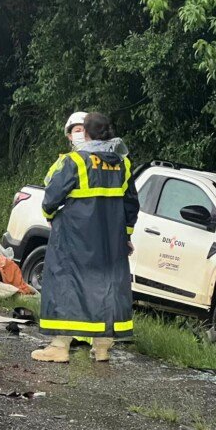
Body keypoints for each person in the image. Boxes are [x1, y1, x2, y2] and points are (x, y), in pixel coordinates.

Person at [31, 112, 139, 363]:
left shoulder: (75, 162)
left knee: (64, 284)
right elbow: (131, 204)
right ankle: (101, 349)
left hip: (74, 238)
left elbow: (51, 197)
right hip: (110, 241)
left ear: (86, 133)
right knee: (107, 287)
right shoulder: (122, 163)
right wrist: (126, 235)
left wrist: (49, 214)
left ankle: (59, 347)